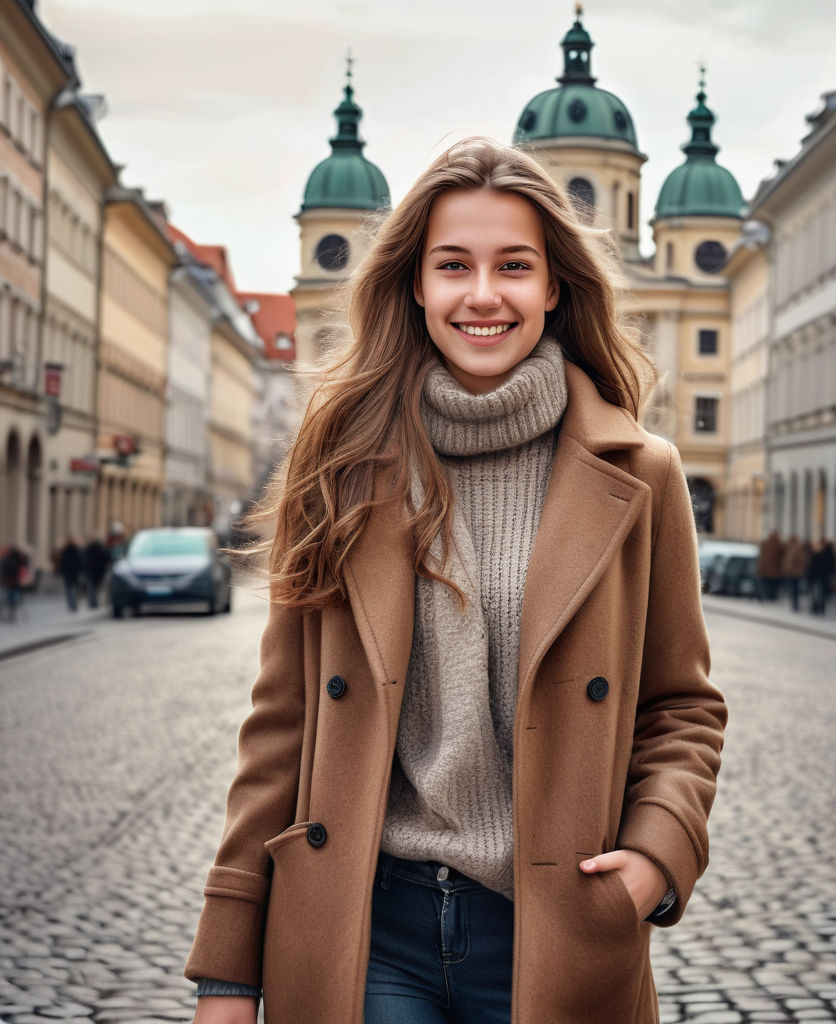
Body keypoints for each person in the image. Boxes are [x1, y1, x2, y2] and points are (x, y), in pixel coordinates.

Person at [185, 138, 728, 1024]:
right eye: (453, 266)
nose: (483, 295)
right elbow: (281, 724)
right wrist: (227, 973)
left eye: (514, 266)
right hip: (366, 928)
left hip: (556, 931)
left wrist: (655, 858)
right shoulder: (342, 465)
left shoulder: (644, 475)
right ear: (415, 285)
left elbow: (681, 707)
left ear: (553, 287)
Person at [806, 537, 836, 617]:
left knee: (821, 594)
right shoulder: (818, 553)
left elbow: (831, 566)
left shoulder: (826, 553)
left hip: (822, 577)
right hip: (817, 577)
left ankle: (819, 608)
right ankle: (816, 608)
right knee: (817, 593)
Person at [782, 533, 809, 612]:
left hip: (795, 573)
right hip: (792, 572)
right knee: (793, 589)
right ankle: (793, 604)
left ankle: (795, 605)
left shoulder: (797, 549)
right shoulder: (790, 548)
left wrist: (795, 569)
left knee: (795, 590)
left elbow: (801, 562)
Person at [83, 537, 112, 609]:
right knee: (99, 588)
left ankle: (93, 603)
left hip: (90, 572)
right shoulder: (102, 549)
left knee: (91, 588)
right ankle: (97, 602)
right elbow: (107, 559)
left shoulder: (88, 550)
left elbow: (84, 561)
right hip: (100, 572)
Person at [1, 544, 27, 622]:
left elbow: (4, 570)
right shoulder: (18, 559)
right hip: (15, 581)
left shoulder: (8, 559)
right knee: (13, 595)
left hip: (10, 580)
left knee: (10, 596)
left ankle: (12, 610)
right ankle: (12, 610)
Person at [755, 529, 784, 602]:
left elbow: (762, 557)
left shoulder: (766, 544)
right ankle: (770, 597)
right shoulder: (778, 545)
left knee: (765, 585)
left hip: (766, 570)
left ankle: (763, 597)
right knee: (772, 586)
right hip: (774, 571)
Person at [58, 537, 82, 612]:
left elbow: (62, 562)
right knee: (73, 590)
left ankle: (71, 605)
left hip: (68, 573)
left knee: (69, 590)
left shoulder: (65, 551)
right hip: (74, 573)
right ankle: (74, 605)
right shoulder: (76, 550)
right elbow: (79, 562)